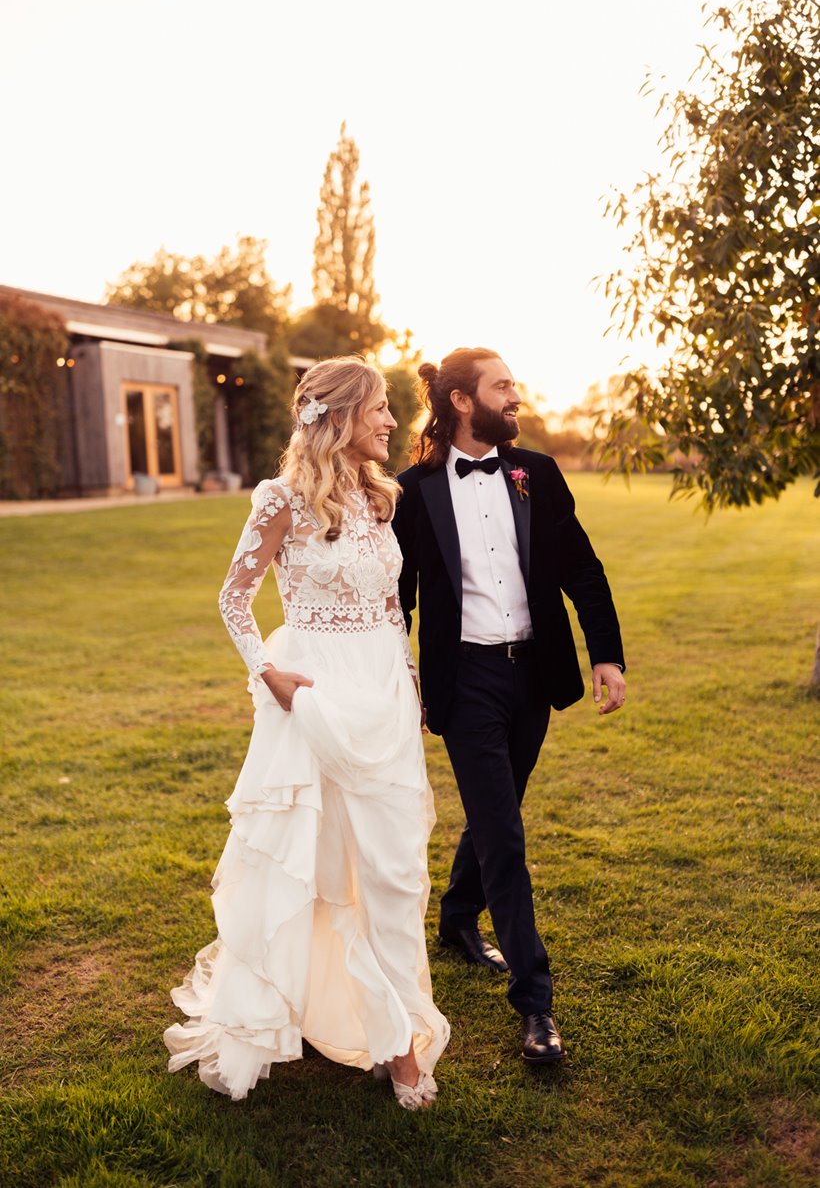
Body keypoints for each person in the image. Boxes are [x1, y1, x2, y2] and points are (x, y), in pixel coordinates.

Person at [164, 357, 449, 1110]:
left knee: (392, 875)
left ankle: (394, 1023)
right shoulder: (281, 500)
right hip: (314, 698)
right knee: (319, 872)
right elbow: (233, 598)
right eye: (381, 409)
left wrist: (410, 677)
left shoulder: (377, 496)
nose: (391, 422)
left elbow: (391, 607)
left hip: (383, 700)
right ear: (338, 417)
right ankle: (393, 1047)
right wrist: (268, 671)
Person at [392, 347, 625, 1066]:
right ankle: (536, 1004)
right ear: (463, 402)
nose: (515, 396)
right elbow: (394, 596)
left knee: (500, 811)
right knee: (505, 837)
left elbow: (582, 567)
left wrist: (606, 654)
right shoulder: (413, 491)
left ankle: (458, 918)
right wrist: (396, 678)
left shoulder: (539, 475)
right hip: (465, 683)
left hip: (534, 676)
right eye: (502, 387)